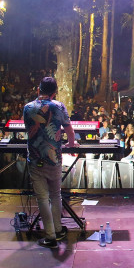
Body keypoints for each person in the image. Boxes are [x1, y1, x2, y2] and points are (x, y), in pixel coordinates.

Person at [23, 76, 77, 248]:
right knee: (55, 195)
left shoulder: (28, 108)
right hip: (54, 159)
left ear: (38, 89)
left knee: (42, 198)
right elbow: (69, 131)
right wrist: (70, 144)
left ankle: (50, 236)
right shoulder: (59, 106)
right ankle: (58, 229)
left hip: (35, 158)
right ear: (54, 93)